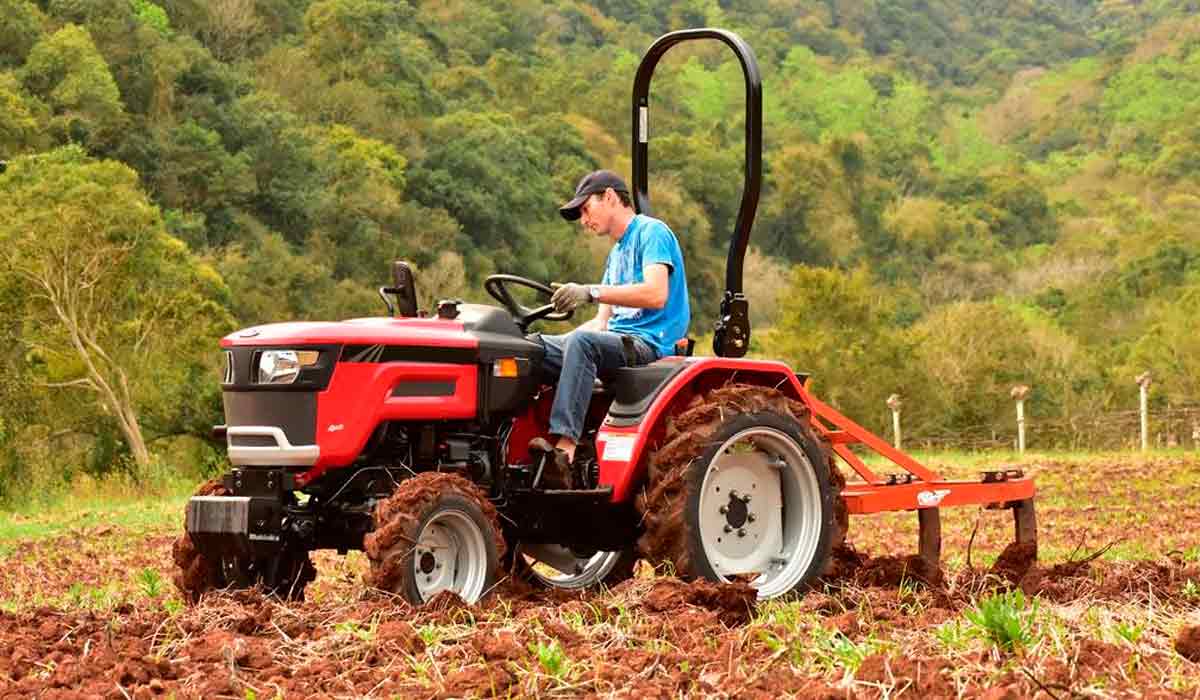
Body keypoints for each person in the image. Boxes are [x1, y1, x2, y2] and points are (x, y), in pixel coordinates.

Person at [533, 169, 690, 486]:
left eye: (585, 209)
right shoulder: (616, 254)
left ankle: (564, 451)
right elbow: (601, 323)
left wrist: (589, 291)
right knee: (532, 348)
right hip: (617, 340)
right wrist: (553, 339)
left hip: (649, 345)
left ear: (609, 197)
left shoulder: (652, 233)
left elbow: (656, 294)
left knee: (584, 344)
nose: (583, 220)